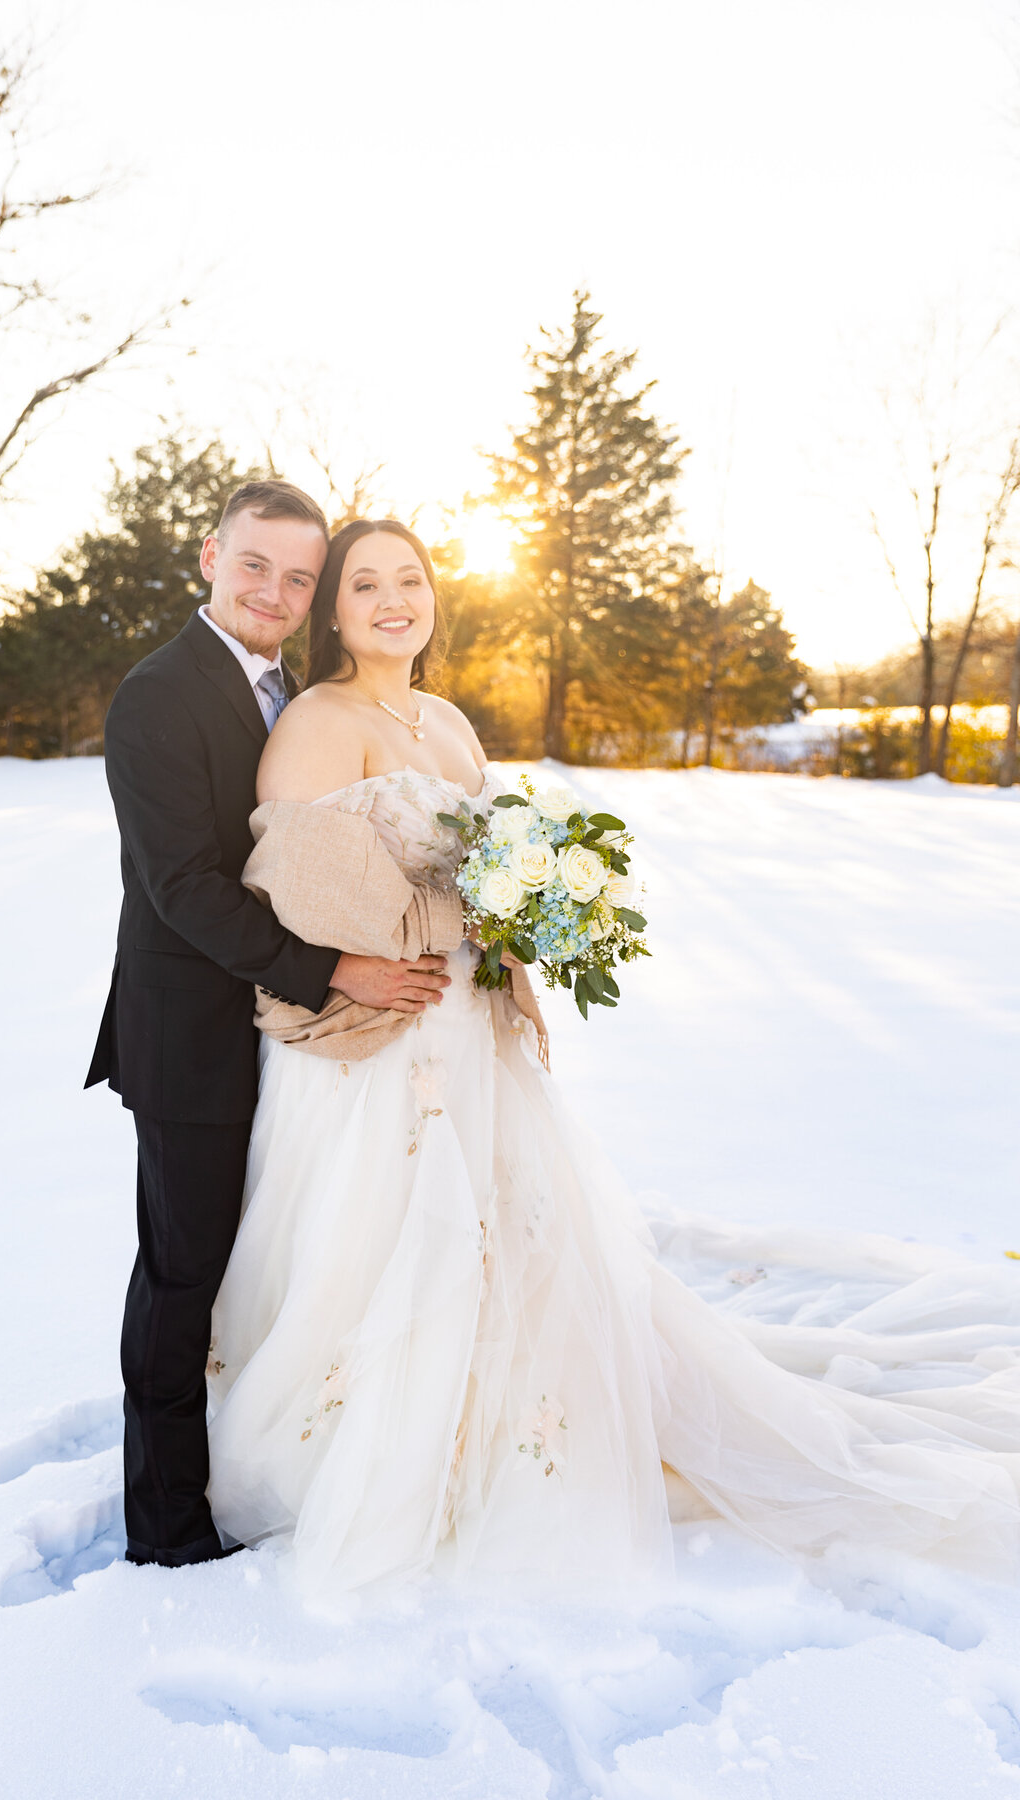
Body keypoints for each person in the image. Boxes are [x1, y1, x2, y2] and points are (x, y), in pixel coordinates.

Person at [205, 516, 1020, 1597]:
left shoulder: (447, 723)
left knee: (513, 1250)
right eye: (365, 584)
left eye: (411, 579)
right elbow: (293, 892)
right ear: (336, 610)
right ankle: (387, 1453)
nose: (393, 599)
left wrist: (530, 914)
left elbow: (488, 861)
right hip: (378, 1050)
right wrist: (416, 939)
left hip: (473, 1032)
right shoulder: (319, 719)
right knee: (392, 1247)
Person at [86, 482, 451, 1568]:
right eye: (257, 567)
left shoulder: (287, 688)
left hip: (289, 1040)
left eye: (299, 578)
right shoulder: (158, 695)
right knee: (183, 1269)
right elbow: (184, 885)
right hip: (193, 1034)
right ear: (210, 556)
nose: (276, 593)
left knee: (276, 1260)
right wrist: (337, 969)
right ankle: (165, 1521)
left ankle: (267, 1453)